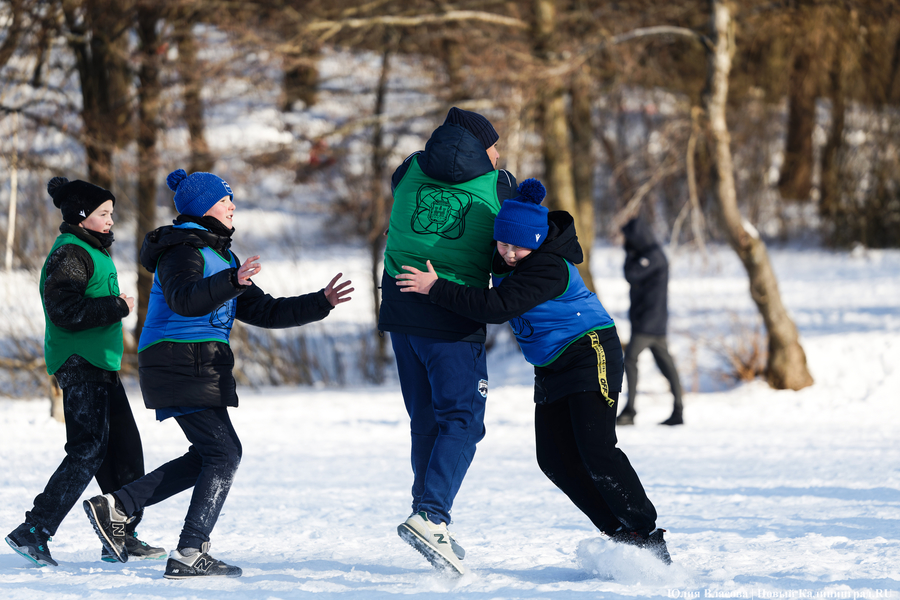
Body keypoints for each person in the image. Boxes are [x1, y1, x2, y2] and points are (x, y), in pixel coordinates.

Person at [82, 169, 353, 579]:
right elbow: (184, 299)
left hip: (197, 363)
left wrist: (321, 301)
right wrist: (232, 280)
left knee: (211, 454)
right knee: (225, 452)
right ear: (202, 206)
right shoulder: (181, 250)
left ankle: (118, 506)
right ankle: (190, 550)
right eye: (225, 199)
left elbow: (265, 311)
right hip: (178, 360)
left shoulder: (223, 256)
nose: (233, 206)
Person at [397, 179, 672, 565]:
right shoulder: (506, 256)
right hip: (550, 365)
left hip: (589, 352)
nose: (509, 254)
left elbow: (497, 306)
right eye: (502, 244)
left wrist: (436, 288)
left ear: (539, 240)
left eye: (518, 246)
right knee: (554, 460)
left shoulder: (548, 266)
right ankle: (620, 533)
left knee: (595, 448)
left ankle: (644, 532)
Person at [379, 107, 517, 575]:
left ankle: (426, 513)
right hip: (453, 318)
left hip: (400, 311)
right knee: (462, 420)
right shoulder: (498, 184)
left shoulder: (409, 168)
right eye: (494, 145)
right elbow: (502, 255)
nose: (499, 154)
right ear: (482, 145)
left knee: (426, 419)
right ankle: (431, 516)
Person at [5, 177, 164, 567]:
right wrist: (118, 307)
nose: (112, 219)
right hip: (78, 363)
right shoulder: (70, 254)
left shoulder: (92, 250)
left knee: (124, 446)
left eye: (111, 212)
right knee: (88, 449)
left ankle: (122, 532)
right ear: (81, 216)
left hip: (99, 364)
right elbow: (65, 312)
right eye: (103, 213)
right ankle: (34, 530)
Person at [616, 217, 685, 427]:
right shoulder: (649, 254)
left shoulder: (653, 256)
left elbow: (631, 274)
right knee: (666, 364)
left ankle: (630, 410)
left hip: (648, 322)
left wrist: (629, 253)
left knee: (629, 360)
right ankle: (678, 410)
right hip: (651, 320)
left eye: (628, 238)